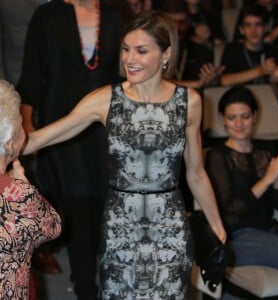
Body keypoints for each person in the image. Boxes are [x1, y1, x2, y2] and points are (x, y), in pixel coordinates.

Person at [22, 10, 226, 299]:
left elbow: (196, 173)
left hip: (170, 228)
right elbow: (38, 140)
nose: (130, 59)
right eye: (126, 49)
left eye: (142, 51)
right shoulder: (106, 99)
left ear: (166, 54)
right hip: (121, 227)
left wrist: (217, 225)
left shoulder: (189, 102)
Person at [17, 0, 123, 299]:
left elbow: (130, 71)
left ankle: (113, 282)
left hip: (108, 124)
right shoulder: (48, 15)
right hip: (63, 124)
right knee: (78, 205)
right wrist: (28, 125)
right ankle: (85, 288)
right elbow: (32, 74)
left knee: (107, 205)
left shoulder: (116, 13)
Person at [205, 85, 278, 290]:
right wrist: (270, 176)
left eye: (245, 116)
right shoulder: (217, 156)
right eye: (231, 118)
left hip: (271, 229)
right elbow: (232, 209)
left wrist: (277, 175)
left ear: (254, 116)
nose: (238, 123)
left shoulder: (265, 151)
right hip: (237, 238)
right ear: (223, 119)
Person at [0, 0, 63, 277]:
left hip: (57, 100)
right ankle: (34, 249)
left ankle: (35, 245)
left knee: (53, 173)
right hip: (14, 94)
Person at [0, 79, 61, 299]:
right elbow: (53, 227)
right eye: (20, 127)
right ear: (9, 144)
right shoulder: (19, 195)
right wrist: (23, 185)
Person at [219, 3, 278, 107]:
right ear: (241, 30)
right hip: (239, 105)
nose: (253, 31)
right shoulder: (232, 49)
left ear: (266, 28)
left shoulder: (273, 51)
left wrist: (273, 81)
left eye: (258, 24)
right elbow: (224, 81)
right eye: (248, 25)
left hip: (267, 106)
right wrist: (260, 71)